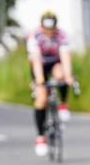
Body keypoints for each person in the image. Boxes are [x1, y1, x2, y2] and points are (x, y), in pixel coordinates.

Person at [26, 11, 74, 157]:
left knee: (61, 75)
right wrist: (39, 80)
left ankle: (63, 104)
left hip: (55, 62)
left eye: (52, 29)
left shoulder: (61, 35)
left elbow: (65, 57)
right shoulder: (34, 36)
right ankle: (41, 137)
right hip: (39, 64)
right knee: (41, 98)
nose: (49, 32)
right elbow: (36, 59)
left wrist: (68, 76)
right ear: (41, 27)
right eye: (46, 29)